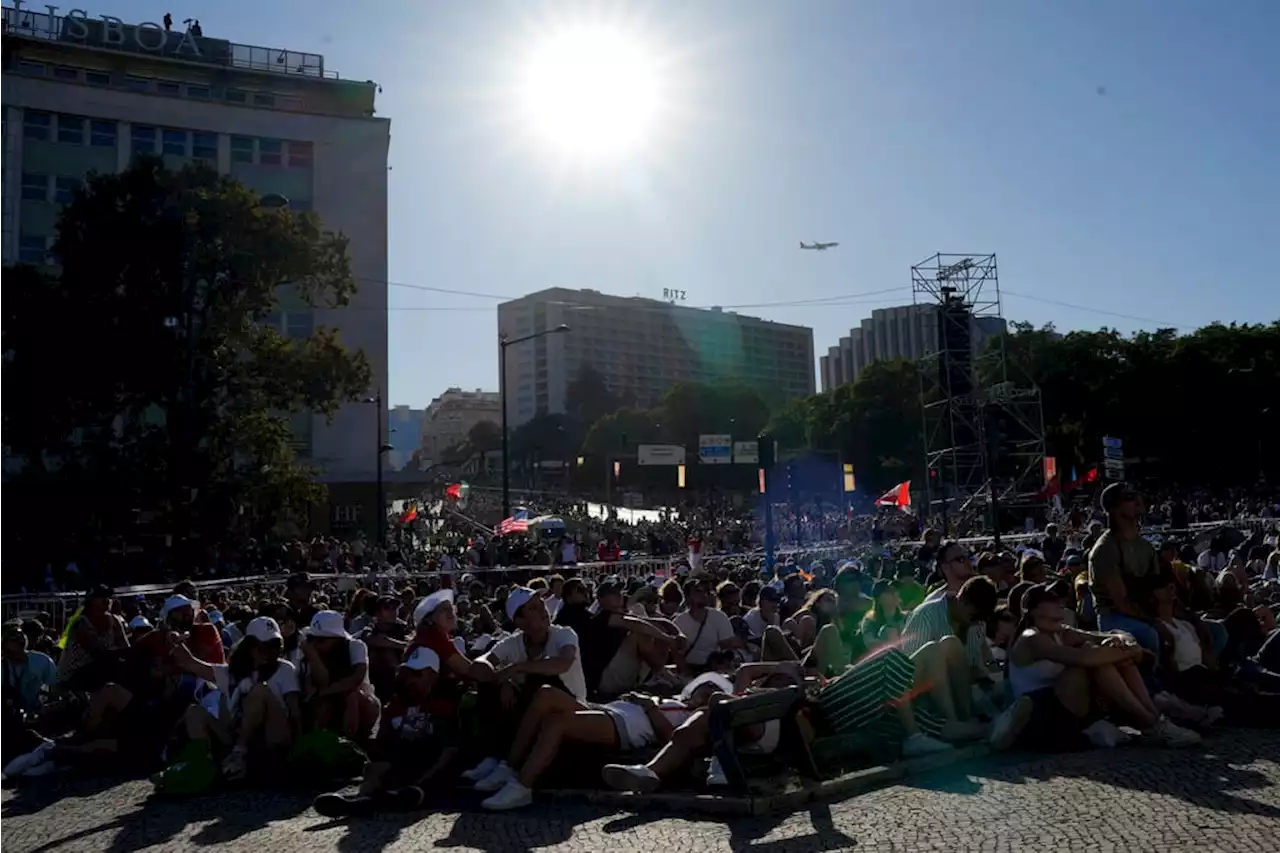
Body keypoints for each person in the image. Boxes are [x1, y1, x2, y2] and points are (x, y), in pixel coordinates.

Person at [1007, 585, 1200, 750]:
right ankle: (1151, 723)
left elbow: (1111, 636)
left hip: (1071, 704)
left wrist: (1122, 643)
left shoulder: (1060, 632)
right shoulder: (1031, 638)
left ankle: (1154, 721)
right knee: (1092, 660)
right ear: (1034, 610)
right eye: (1051, 600)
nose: (1059, 604)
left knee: (1106, 653)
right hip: (1042, 714)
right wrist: (1131, 650)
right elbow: (1083, 658)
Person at [313, 647, 457, 817]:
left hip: (429, 760)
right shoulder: (397, 703)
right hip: (403, 759)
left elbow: (450, 746)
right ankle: (363, 800)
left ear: (433, 676)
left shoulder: (443, 704)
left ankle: (413, 792)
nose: (410, 680)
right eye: (408, 673)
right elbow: (383, 742)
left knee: (444, 761)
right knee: (375, 766)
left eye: (417, 674)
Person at [170, 616, 302, 781]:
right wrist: (176, 640)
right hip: (236, 735)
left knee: (260, 690)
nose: (269, 652)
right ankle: (204, 764)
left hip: (272, 737)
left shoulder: (285, 669)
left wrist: (298, 749)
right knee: (194, 712)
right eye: (262, 647)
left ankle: (240, 754)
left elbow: (294, 711)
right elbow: (191, 664)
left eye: (274, 646)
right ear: (250, 647)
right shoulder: (232, 673)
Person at [298, 610, 380, 738]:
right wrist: (313, 657)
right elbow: (319, 682)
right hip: (324, 704)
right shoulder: (309, 650)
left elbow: (356, 679)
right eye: (312, 638)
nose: (315, 644)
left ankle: (351, 742)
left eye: (321, 640)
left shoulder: (355, 646)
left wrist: (325, 691)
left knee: (352, 697)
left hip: (359, 702)